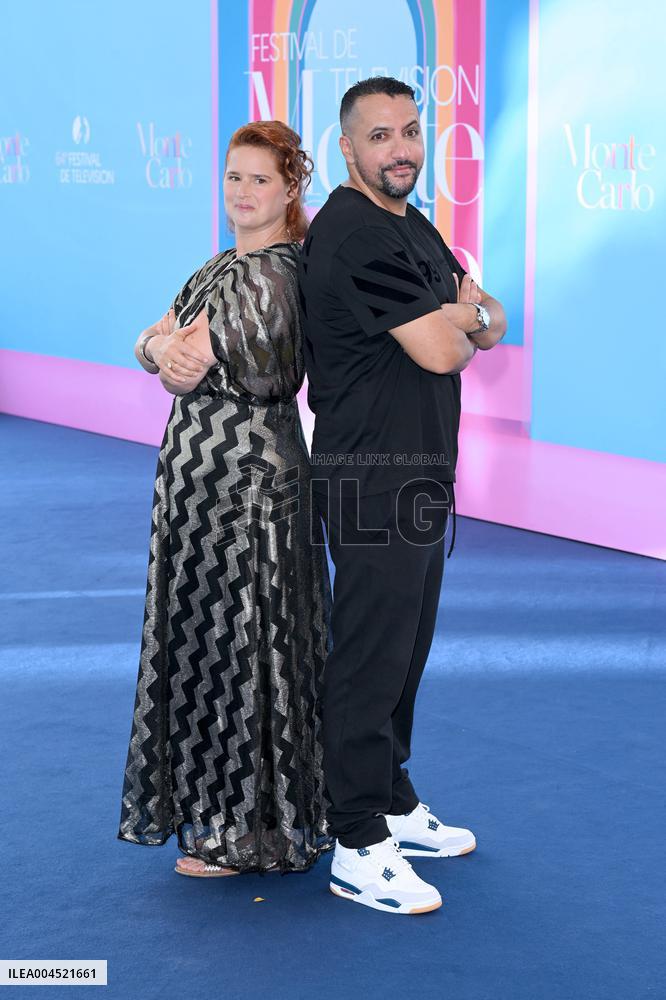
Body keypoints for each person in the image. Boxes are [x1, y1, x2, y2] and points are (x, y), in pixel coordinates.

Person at [298, 77, 507, 914]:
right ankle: (354, 838)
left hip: (421, 473)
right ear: (347, 148)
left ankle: (390, 795)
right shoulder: (353, 233)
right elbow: (446, 351)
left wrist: (460, 316)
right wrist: (455, 319)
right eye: (380, 136)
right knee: (369, 657)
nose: (402, 150)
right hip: (368, 477)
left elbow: (488, 319)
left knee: (406, 652)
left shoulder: (411, 225)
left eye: (412, 131)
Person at [117, 120, 333, 877]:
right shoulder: (219, 265)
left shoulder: (274, 272)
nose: (243, 193)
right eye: (234, 177)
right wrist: (161, 349)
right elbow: (153, 341)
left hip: (248, 490)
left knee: (247, 650)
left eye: (259, 180)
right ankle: (224, 816)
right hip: (197, 487)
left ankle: (250, 832)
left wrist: (174, 355)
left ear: (290, 189)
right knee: (211, 645)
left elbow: (230, 368)